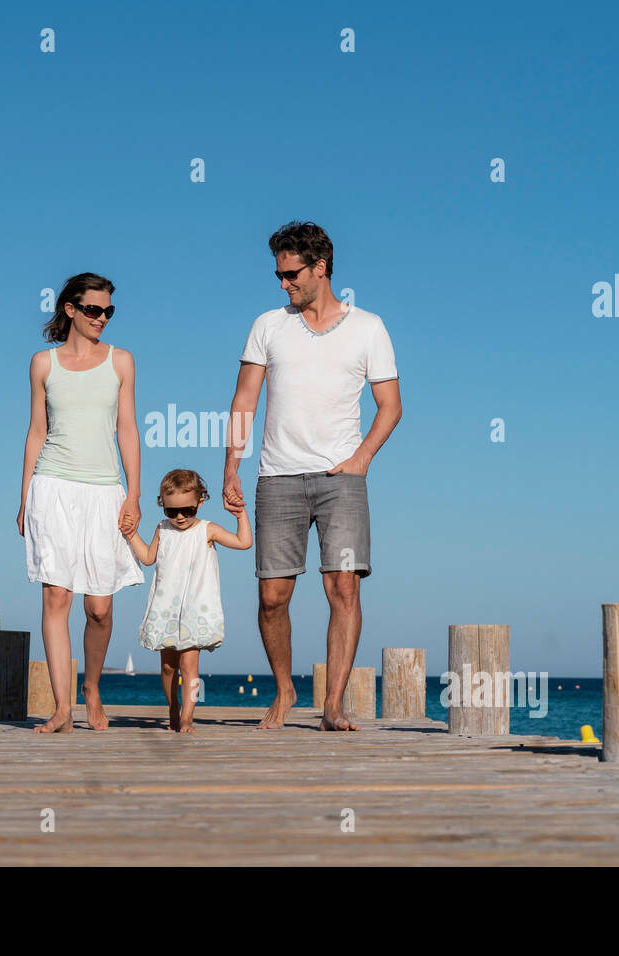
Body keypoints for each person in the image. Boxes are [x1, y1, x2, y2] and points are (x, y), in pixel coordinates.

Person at [223, 221, 402, 731]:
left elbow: (390, 406)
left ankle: (334, 704)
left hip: (341, 479)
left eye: (291, 273)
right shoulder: (267, 325)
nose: (284, 284)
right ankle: (284, 689)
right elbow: (243, 401)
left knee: (343, 587)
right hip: (276, 476)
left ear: (320, 268)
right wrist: (232, 464)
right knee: (271, 596)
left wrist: (362, 458)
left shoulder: (369, 327)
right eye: (279, 275)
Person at [18, 272, 144, 733]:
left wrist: (133, 493)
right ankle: (62, 707)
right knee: (56, 595)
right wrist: (24, 495)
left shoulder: (121, 361)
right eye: (94, 309)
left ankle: (91, 687)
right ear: (70, 309)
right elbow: (37, 432)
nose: (102, 318)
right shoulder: (42, 364)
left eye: (109, 310)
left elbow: (127, 429)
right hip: (52, 486)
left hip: (104, 490)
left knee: (100, 608)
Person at [124, 469, 251, 733]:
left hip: (195, 610)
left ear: (200, 502)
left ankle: (187, 717)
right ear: (162, 505)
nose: (180, 517)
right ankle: (172, 709)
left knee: (188, 666)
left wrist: (241, 515)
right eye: (172, 512)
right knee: (169, 667)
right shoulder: (163, 529)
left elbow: (243, 542)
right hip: (166, 609)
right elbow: (148, 558)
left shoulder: (207, 530)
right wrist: (131, 535)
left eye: (187, 510)